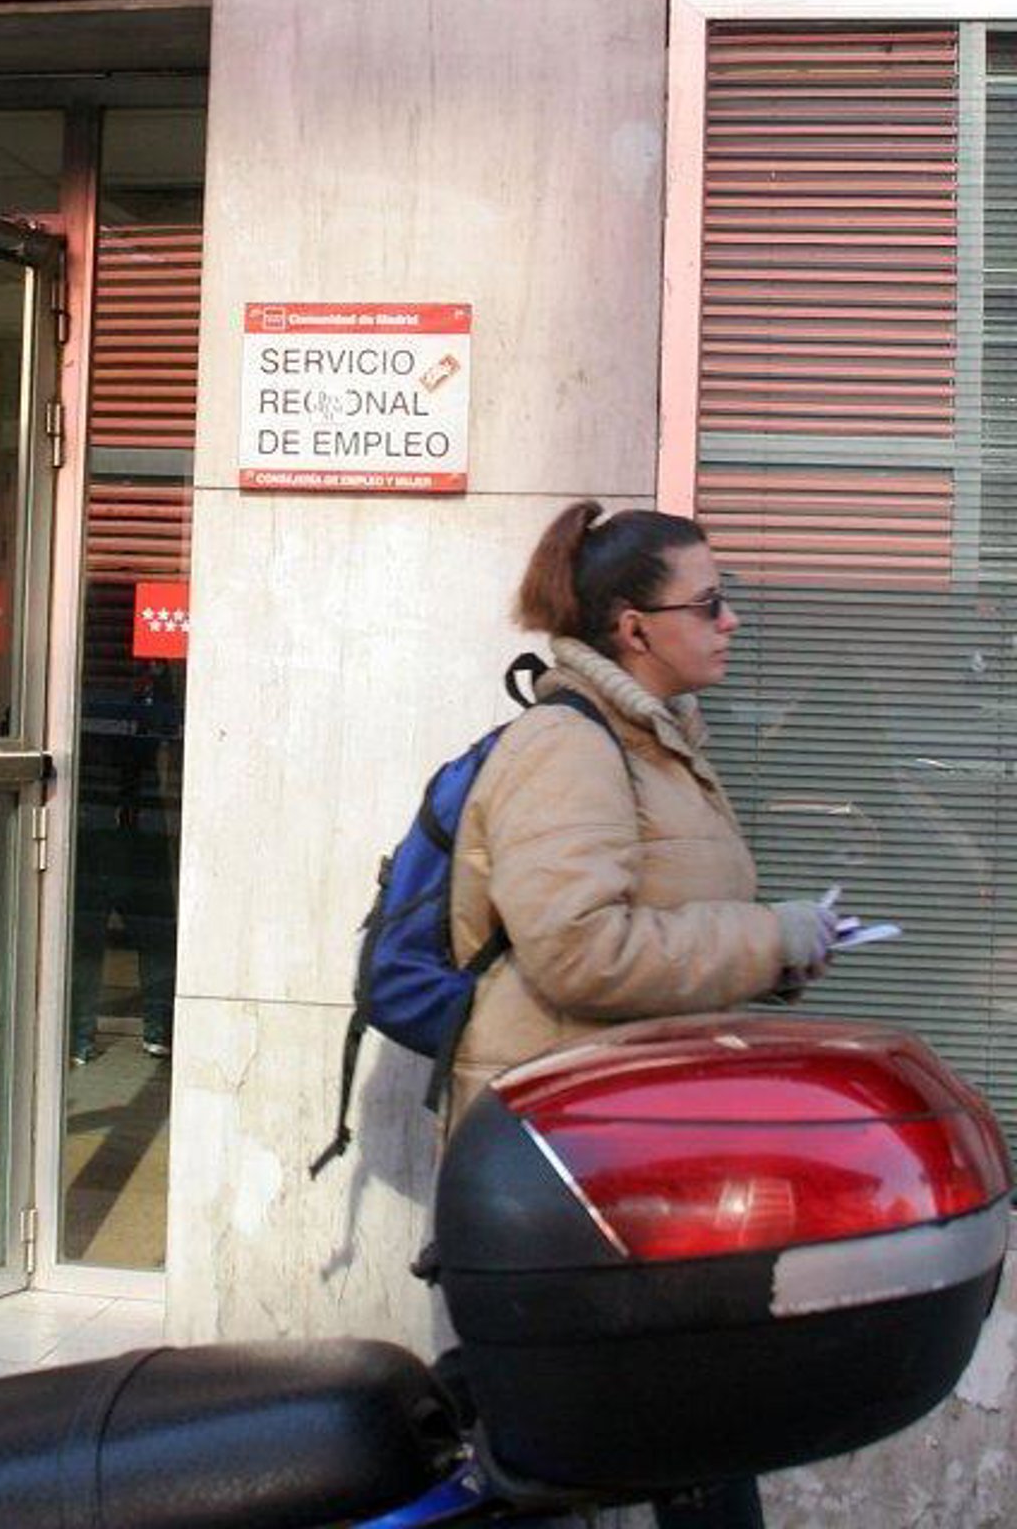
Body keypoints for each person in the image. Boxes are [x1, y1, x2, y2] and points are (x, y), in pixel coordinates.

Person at [446, 501, 837, 1529]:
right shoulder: (568, 748)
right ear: (633, 629)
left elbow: (657, 930)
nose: (731, 621)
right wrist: (768, 937)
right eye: (708, 604)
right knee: (630, 1449)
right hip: (565, 1174)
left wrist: (780, 955)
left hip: (630, 1159)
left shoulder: (655, 743)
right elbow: (576, 950)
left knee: (687, 1443)